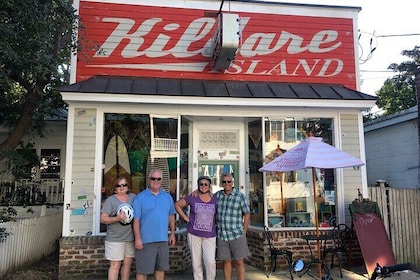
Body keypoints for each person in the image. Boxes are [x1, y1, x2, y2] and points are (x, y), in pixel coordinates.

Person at [132, 169, 176, 280]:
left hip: (162, 240)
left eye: (158, 179)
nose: (156, 181)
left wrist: (172, 234)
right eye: (153, 178)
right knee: (143, 271)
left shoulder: (167, 197)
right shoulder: (140, 198)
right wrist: (138, 238)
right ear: (148, 179)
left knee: (160, 269)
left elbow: (171, 216)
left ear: (161, 180)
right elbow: (136, 220)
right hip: (145, 241)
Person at [175, 175, 217, 280]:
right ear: (198, 185)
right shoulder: (192, 197)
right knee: (196, 263)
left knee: (210, 262)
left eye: (206, 184)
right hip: (194, 234)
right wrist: (185, 217)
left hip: (210, 235)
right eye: (201, 184)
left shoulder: (215, 198)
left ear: (209, 186)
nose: (203, 186)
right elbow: (177, 205)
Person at [100, 176, 136, 280]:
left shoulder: (133, 197)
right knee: (115, 266)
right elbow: (103, 219)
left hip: (130, 238)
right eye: (118, 185)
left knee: (128, 264)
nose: (121, 187)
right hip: (115, 239)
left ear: (128, 187)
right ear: (115, 188)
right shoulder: (110, 200)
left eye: (124, 185)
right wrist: (117, 218)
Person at [215, 173, 251, 280]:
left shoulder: (240, 196)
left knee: (239, 261)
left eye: (229, 181)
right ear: (222, 183)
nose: (226, 184)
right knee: (226, 261)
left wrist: (244, 230)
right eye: (224, 182)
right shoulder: (217, 196)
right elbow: (205, 197)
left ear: (232, 182)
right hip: (222, 235)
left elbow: (247, 213)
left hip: (237, 235)